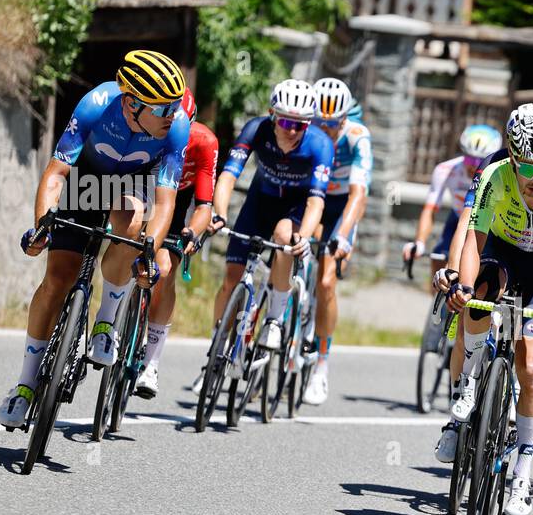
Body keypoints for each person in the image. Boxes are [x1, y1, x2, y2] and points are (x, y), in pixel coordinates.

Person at [0, 49, 190, 428]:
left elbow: (166, 201)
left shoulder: (177, 127)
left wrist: (149, 251)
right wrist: (42, 225)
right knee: (57, 279)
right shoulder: (96, 105)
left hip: (132, 185)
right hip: (85, 180)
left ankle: (106, 322)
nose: (171, 116)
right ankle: (24, 386)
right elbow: (56, 173)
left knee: (133, 223)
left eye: (174, 107)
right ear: (133, 104)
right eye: (162, 108)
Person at [443, 107, 533, 515]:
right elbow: (473, 237)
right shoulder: (493, 174)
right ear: (512, 155)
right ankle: (466, 384)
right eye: (528, 167)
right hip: (501, 250)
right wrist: (463, 287)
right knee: (479, 295)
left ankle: (522, 471)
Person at [210, 79, 332, 365]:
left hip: (296, 207)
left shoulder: (320, 145)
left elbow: (316, 201)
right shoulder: (256, 128)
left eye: (300, 125)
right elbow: (228, 175)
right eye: (286, 122)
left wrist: (304, 235)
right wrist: (220, 213)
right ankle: (216, 349)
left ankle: (275, 320)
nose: (291, 131)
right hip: (260, 201)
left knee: (283, 236)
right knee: (230, 279)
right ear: (272, 115)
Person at [136, 88, 220, 399]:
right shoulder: (146, 132)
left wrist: (193, 232)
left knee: (166, 268)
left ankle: (151, 364)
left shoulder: (204, 143)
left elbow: (203, 206)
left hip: (175, 199)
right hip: (142, 187)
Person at [303, 77, 372, 405]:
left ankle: (321, 362)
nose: (326, 130)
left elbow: (359, 195)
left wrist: (343, 236)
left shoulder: (358, 138)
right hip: (309, 199)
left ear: (345, 119)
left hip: (340, 206)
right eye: (319, 122)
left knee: (327, 281)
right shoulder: (305, 131)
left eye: (333, 124)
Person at [403, 124, 502, 281]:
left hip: (488, 225)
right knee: (438, 258)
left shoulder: (499, 175)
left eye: (480, 160)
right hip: (457, 218)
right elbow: (430, 209)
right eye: (469, 158)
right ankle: (437, 297)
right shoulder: (445, 170)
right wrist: (420, 242)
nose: (473, 165)